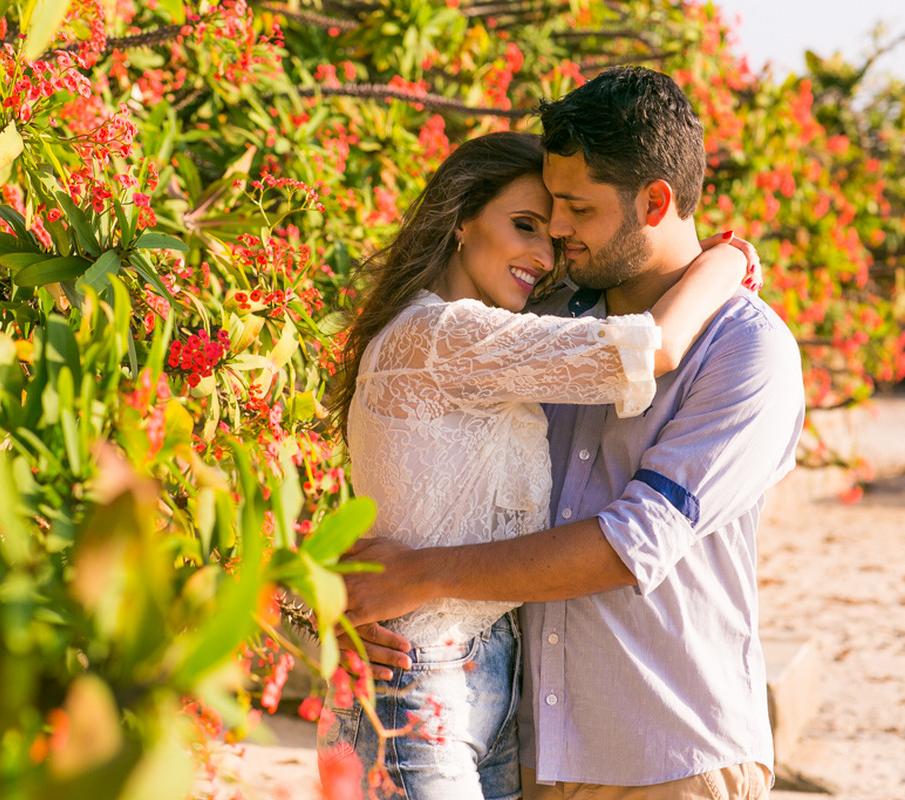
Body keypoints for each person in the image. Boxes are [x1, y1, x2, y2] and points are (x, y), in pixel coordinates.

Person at [338, 66, 805, 799]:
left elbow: (633, 541)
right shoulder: (539, 325)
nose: (556, 231)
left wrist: (416, 577)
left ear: (655, 202)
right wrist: (346, 591)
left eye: (575, 209)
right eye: (544, 210)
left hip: (666, 755)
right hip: (528, 748)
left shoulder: (748, 350)